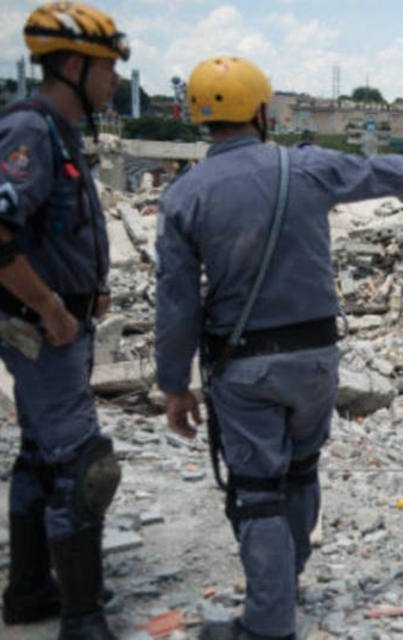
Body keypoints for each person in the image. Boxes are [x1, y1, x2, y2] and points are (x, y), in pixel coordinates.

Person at [155, 55, 403, 640]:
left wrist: (175, 384)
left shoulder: (185, 195)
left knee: (257, 492)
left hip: (244, 364)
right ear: (260, 109)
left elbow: (176, 302)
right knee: (301, 471)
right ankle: (290, 575)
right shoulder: (306, 168)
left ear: (197, 115)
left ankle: (267, 624)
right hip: (315, 359)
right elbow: (379, 172)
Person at [0, 3, 129, 638]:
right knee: (85, 466)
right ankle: (83, 619)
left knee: (41, 458)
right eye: (109, 70)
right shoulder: (30, 131)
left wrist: (87, 293)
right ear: (74, 65)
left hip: (58, 325)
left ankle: (29, 591)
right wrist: (52, 306)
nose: (115, 83)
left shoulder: (60, 130)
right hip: (38, 326)